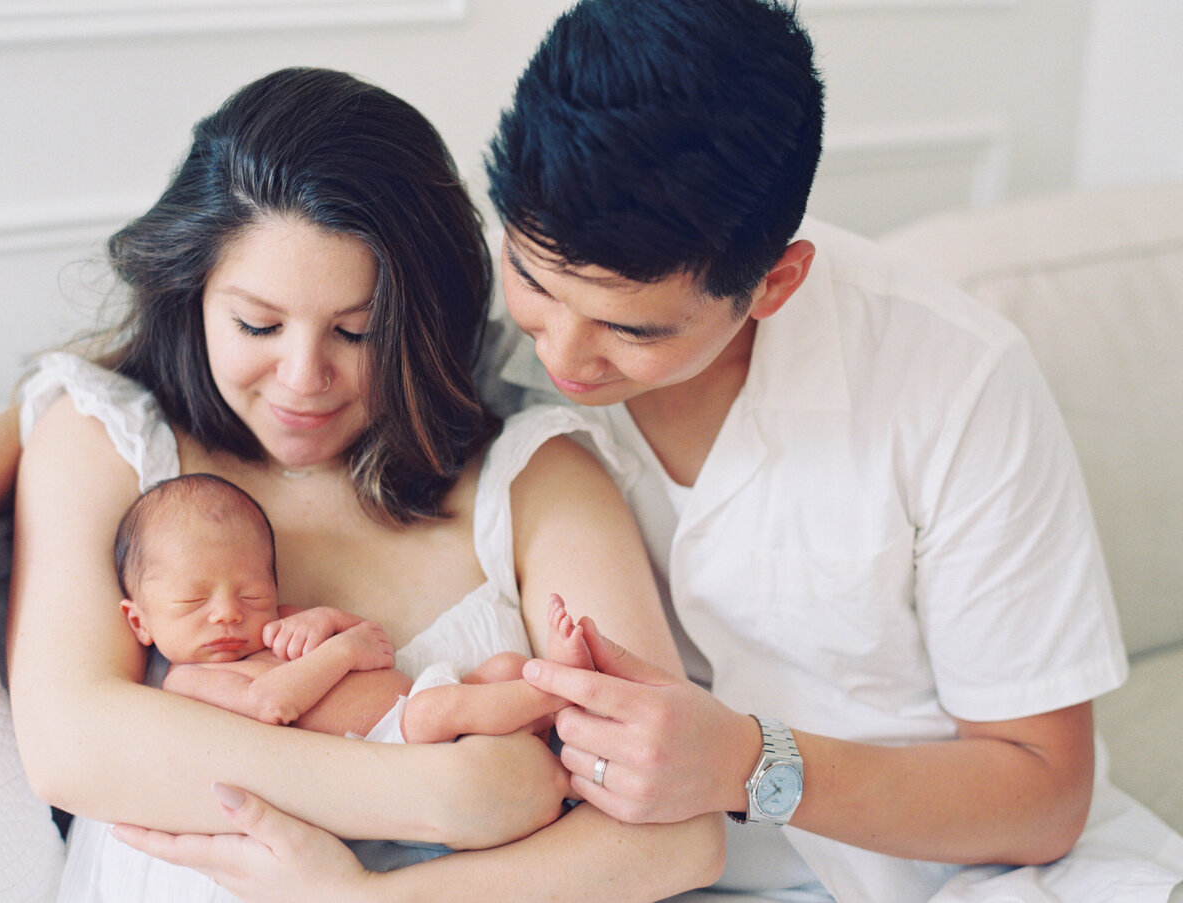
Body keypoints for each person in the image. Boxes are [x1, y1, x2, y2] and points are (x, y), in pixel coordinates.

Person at [113, 2, 1183, 901]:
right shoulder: (475, 316)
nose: (566, 355)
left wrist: (748, 763)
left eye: (634, 330)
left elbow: (1043, 794)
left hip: (969, 875)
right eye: (534, 283)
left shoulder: (952, 381)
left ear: (775, 284)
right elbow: (140, 371)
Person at [3, 66, 724, 903]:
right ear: (192, 288)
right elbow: (70, 743)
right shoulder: (110, 440)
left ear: (422, 323)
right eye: (257, 324)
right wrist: (451, 793)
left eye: (358, 330)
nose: (303, 377)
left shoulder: (533, 478)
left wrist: (360, 897)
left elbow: (678, 836)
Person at [114, 471, 590, 748]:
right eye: (193, 602)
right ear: (140, 622)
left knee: (504, 667)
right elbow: (270, 705)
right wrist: (340, 651)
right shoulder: (186, 681)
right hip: (394, 740)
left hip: (419, 696)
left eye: (251, 594)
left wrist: (327, 622)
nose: (227, 614)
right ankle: (563, 692)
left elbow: (375, 647)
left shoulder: (282, 624)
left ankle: (547, 720)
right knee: (438, 712)